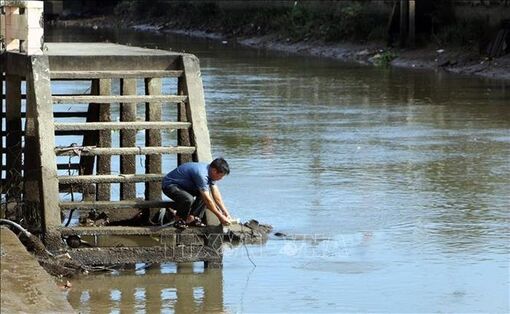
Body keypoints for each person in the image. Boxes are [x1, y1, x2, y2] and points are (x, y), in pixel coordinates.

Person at [162, 158, 233, 228]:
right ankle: (179, 220)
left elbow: (217, 196)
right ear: (214, 171)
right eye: (221, 175)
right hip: (169, 185)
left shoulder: (210, 172)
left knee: (204, 195)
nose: (221, 178)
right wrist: (220, 217)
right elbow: (208, 200)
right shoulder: (202, 175)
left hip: (184, 186)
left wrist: (225, 212)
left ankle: (193, 218)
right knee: (188, 199)